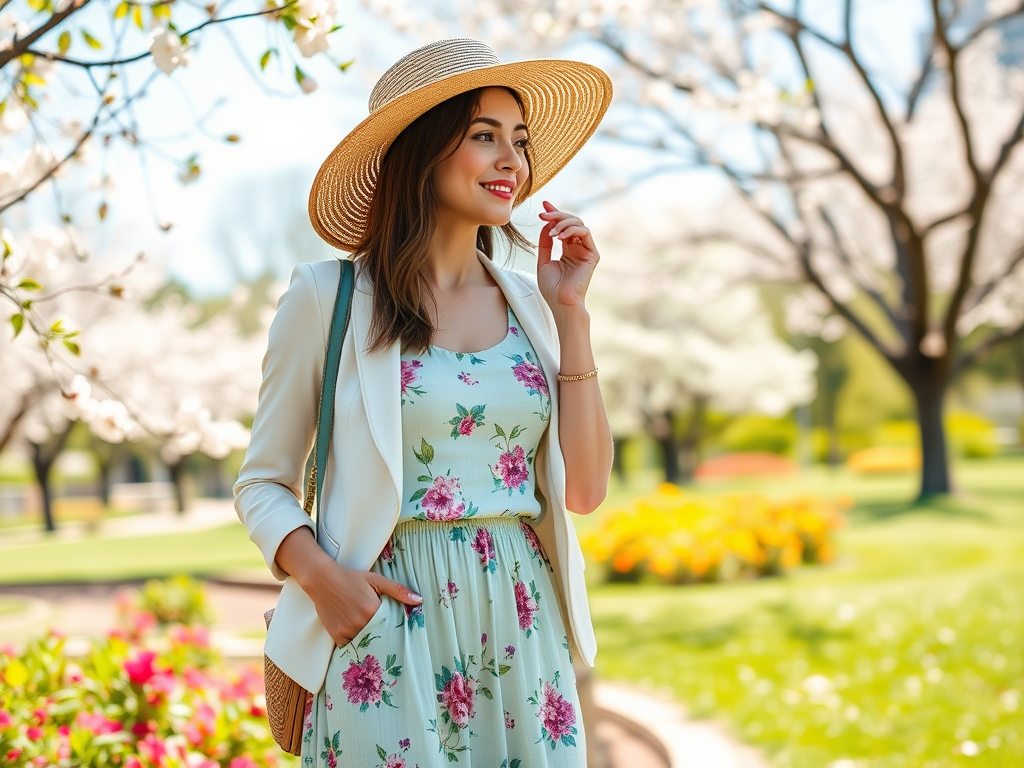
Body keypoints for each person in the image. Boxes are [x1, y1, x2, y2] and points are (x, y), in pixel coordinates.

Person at [234, 37, 614, 767]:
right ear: (421, 150)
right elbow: (262, 482)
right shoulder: (327, 297)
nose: (513, 161)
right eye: (484, 137)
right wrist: (323, 580)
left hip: (522, 623)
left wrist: (573, 316)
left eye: (521, 141)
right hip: (385, 626)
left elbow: (587, 490)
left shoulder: (536, 306)